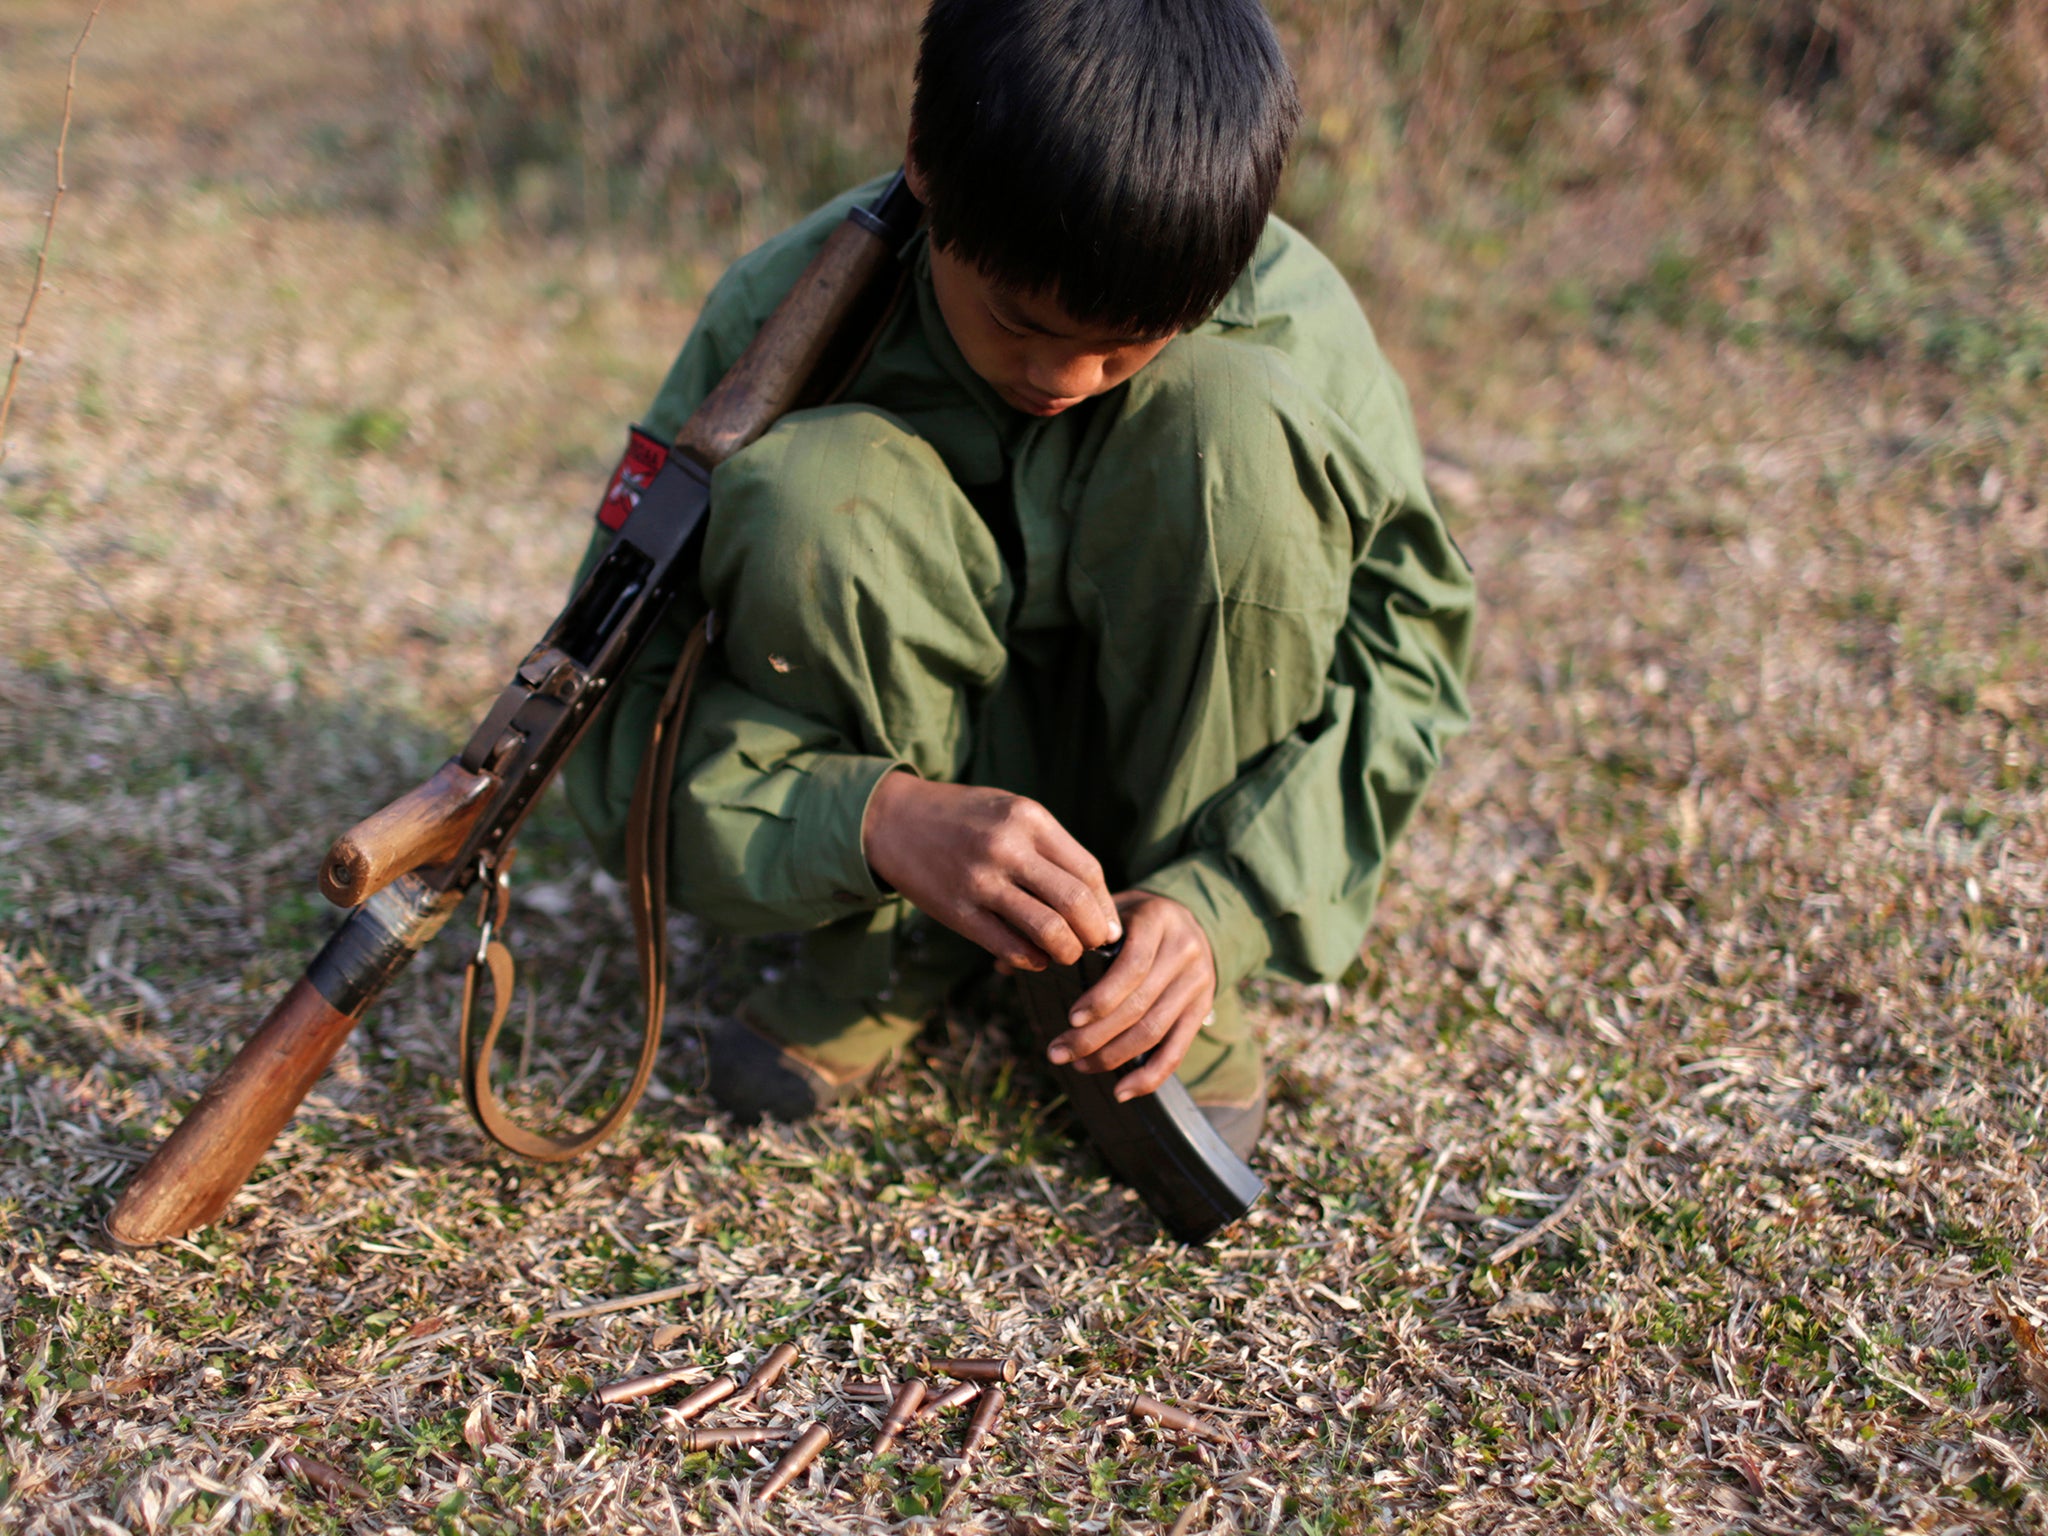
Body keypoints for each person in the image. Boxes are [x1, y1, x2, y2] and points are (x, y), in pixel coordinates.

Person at [564, 0, 1475, 1158]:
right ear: (926, 173)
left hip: (1176, 824)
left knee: (1233, 429)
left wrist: (1225, 903)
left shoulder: (1287, 319)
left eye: (1129, 344)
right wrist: (867, 820)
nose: (1065, 375)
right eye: (1018, 321)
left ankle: (1160, 964)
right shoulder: (784, 315)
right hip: (896, 839)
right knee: (814, 489)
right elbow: (612, 697)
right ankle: (892, 949)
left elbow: (1406, 658)